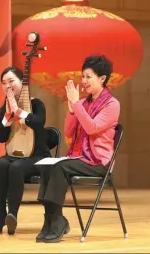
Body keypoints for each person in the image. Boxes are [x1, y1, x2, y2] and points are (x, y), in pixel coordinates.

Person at [36, 55, 119, 243]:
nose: (84, 81)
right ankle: (51, 219)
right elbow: (68, 131)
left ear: (102, 79)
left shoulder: (112, 105)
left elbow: (92, 128)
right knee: (47, 165)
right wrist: (73, 109)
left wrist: (76, 105)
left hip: (99, 162)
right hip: (80, 157)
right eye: (83, 77)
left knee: (60, 167)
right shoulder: (83, 103)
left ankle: (56, 222)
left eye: (88, 77)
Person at [0, 66, 50, 235]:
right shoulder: (2, 110)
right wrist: (6, 120)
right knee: (1, 164)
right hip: (14, 155)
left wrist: (20, 113)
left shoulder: (36, 104)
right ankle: (1, 213)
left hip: (38, 157)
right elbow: (0, 137)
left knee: (16, 167)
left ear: (21, 83)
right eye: (3, 83)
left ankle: (12, 214)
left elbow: (39, 123)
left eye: (11, 81)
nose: (7, 86)